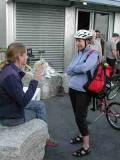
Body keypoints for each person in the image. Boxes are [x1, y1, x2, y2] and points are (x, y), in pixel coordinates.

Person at [0, 42, 57, 147]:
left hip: (9, 106)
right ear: (19, 56)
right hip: (11, 118)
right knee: (38, 114)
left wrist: (26, 73)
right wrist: (35, 79)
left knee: (39, 105)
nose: (27, 57)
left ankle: (45, 136)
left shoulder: (8, 69)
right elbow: (23, 101)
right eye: (25, 54)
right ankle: (44, 137)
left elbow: (14, 88)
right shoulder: (11, 75)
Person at [66, 30, 98, 157]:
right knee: (76, 115)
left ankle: (86, 146)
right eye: (76, 40)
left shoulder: (93, 54)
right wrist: (76, 68)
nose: (77, 43)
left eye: (79, 41)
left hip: (83, 91)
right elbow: (69, 69)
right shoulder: (77, 53)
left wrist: (75, 68)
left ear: (87, 41)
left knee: (80, 117)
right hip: (73, 89)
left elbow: (85, 68)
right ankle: (81, 134)